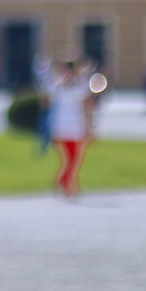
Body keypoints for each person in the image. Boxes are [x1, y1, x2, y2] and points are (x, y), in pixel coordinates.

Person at [47, 59, 98, 199]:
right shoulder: (79, 87)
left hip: (61, 126)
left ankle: (71, 187)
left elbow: (48, 102)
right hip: (74, 127)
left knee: (69, 159)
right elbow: (87, 109)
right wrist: (90, 128)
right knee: (73, 160)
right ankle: (63, 180)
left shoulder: (58, 85)